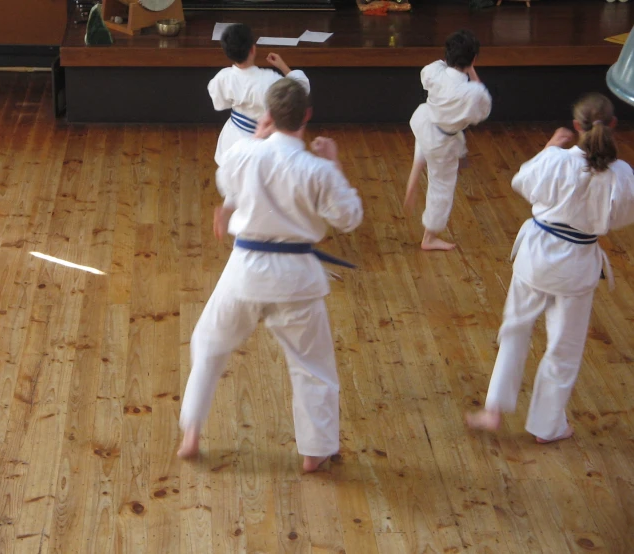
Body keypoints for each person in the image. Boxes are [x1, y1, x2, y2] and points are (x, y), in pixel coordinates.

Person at [178, 79, 363, 472]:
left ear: (268, 115)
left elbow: (227, 183)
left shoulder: (245, 154)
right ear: (307, 116)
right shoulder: (317, 169)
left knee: (209, 342)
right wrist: (334, 165)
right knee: (312, 367)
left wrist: (256, 144)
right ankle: (315, 451)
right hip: (297, 278)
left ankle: (191, 431)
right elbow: (349, 218)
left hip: (244, 272)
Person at [466, 93, 634, 443]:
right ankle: (547, 426)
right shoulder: (620, 173)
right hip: (577, 264)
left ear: (576, 126)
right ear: (613, 125)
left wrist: (547, 148)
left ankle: (494, 409)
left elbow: (521, 183)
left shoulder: (557, 160)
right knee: (564, 346)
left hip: (537, 256)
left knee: (515, 329)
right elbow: (622, 217)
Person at [403, 29, 492, 251]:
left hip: (425, 121)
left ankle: (416, 169)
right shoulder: (473, 92)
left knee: (426, 137)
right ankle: (429, 237)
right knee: (441, 186)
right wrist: (472, 70)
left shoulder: (433, 70)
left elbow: (431, 73)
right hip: (443, 141)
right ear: (473, 60)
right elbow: (483, 107)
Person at [208, 23, 311, 166]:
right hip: (264, 142)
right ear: (253, 49)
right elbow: (301, 89)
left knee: (233, 175)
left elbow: (220, 104)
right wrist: (283, 66)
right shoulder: (271, 80)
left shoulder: (222, 78)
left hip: (232, 139)